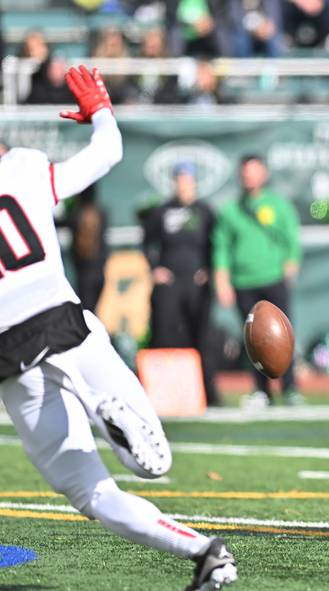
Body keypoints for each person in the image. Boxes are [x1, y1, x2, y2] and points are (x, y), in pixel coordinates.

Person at [0, 66, 236, 589]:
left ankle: (204, 550)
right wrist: (101, 112)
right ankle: (205, 549)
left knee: (92, 494)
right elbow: (108, 152)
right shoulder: (25, 166)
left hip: (11, 357)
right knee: (155, 463)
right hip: (67, 323)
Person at [214, 154, 303, 406]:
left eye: (253, 171)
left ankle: (290, 388)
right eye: (245, 172)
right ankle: (262, 390)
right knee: (254, 339)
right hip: (244, 281)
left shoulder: (278, 204)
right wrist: (222, 279)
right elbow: (221, 247)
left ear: (264, 174)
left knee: (284, 334)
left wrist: (291, 263)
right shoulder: (230, 210)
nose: (249, 177)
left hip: (273, 278)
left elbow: (291, 237)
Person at [143, 162, 219, 406]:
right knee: (164, 335)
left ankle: (208, 394)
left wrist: (209, 270)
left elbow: (215, 245)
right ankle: (160, 394)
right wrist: (155, 269)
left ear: (195, 184)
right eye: (180, 180)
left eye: (188, 181)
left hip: (197, 284)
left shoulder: (206, 211)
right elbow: (147, 243)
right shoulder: (161, 212)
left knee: (201, 337)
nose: (184, 185)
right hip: (170, 284)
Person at [67, 184, 108, 312]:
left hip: (85, 275)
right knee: (92, 312)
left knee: (86, 313)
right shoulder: (102, 214)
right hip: (99, 274)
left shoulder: (75, 215)